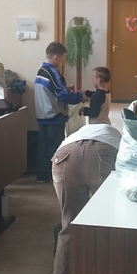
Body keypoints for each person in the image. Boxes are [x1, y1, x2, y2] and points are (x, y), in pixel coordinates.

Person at [44, 123, 121, 274]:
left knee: (69, 226)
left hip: (64, 156)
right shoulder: (118, 136)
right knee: (106, 227)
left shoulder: (76, 134)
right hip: (103, 156)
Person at [35, 42, 86, 183]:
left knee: (43, 147)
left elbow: (54, 91)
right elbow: (63, 95)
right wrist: (80, 97)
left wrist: (70, 91)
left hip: (42, 116)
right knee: (55, 147)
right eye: (62, 59)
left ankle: (42, 176)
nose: (62, 62)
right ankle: (55, 175)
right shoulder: (52, 73)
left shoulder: (41, 72)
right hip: (54, 116)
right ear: (56, 57)